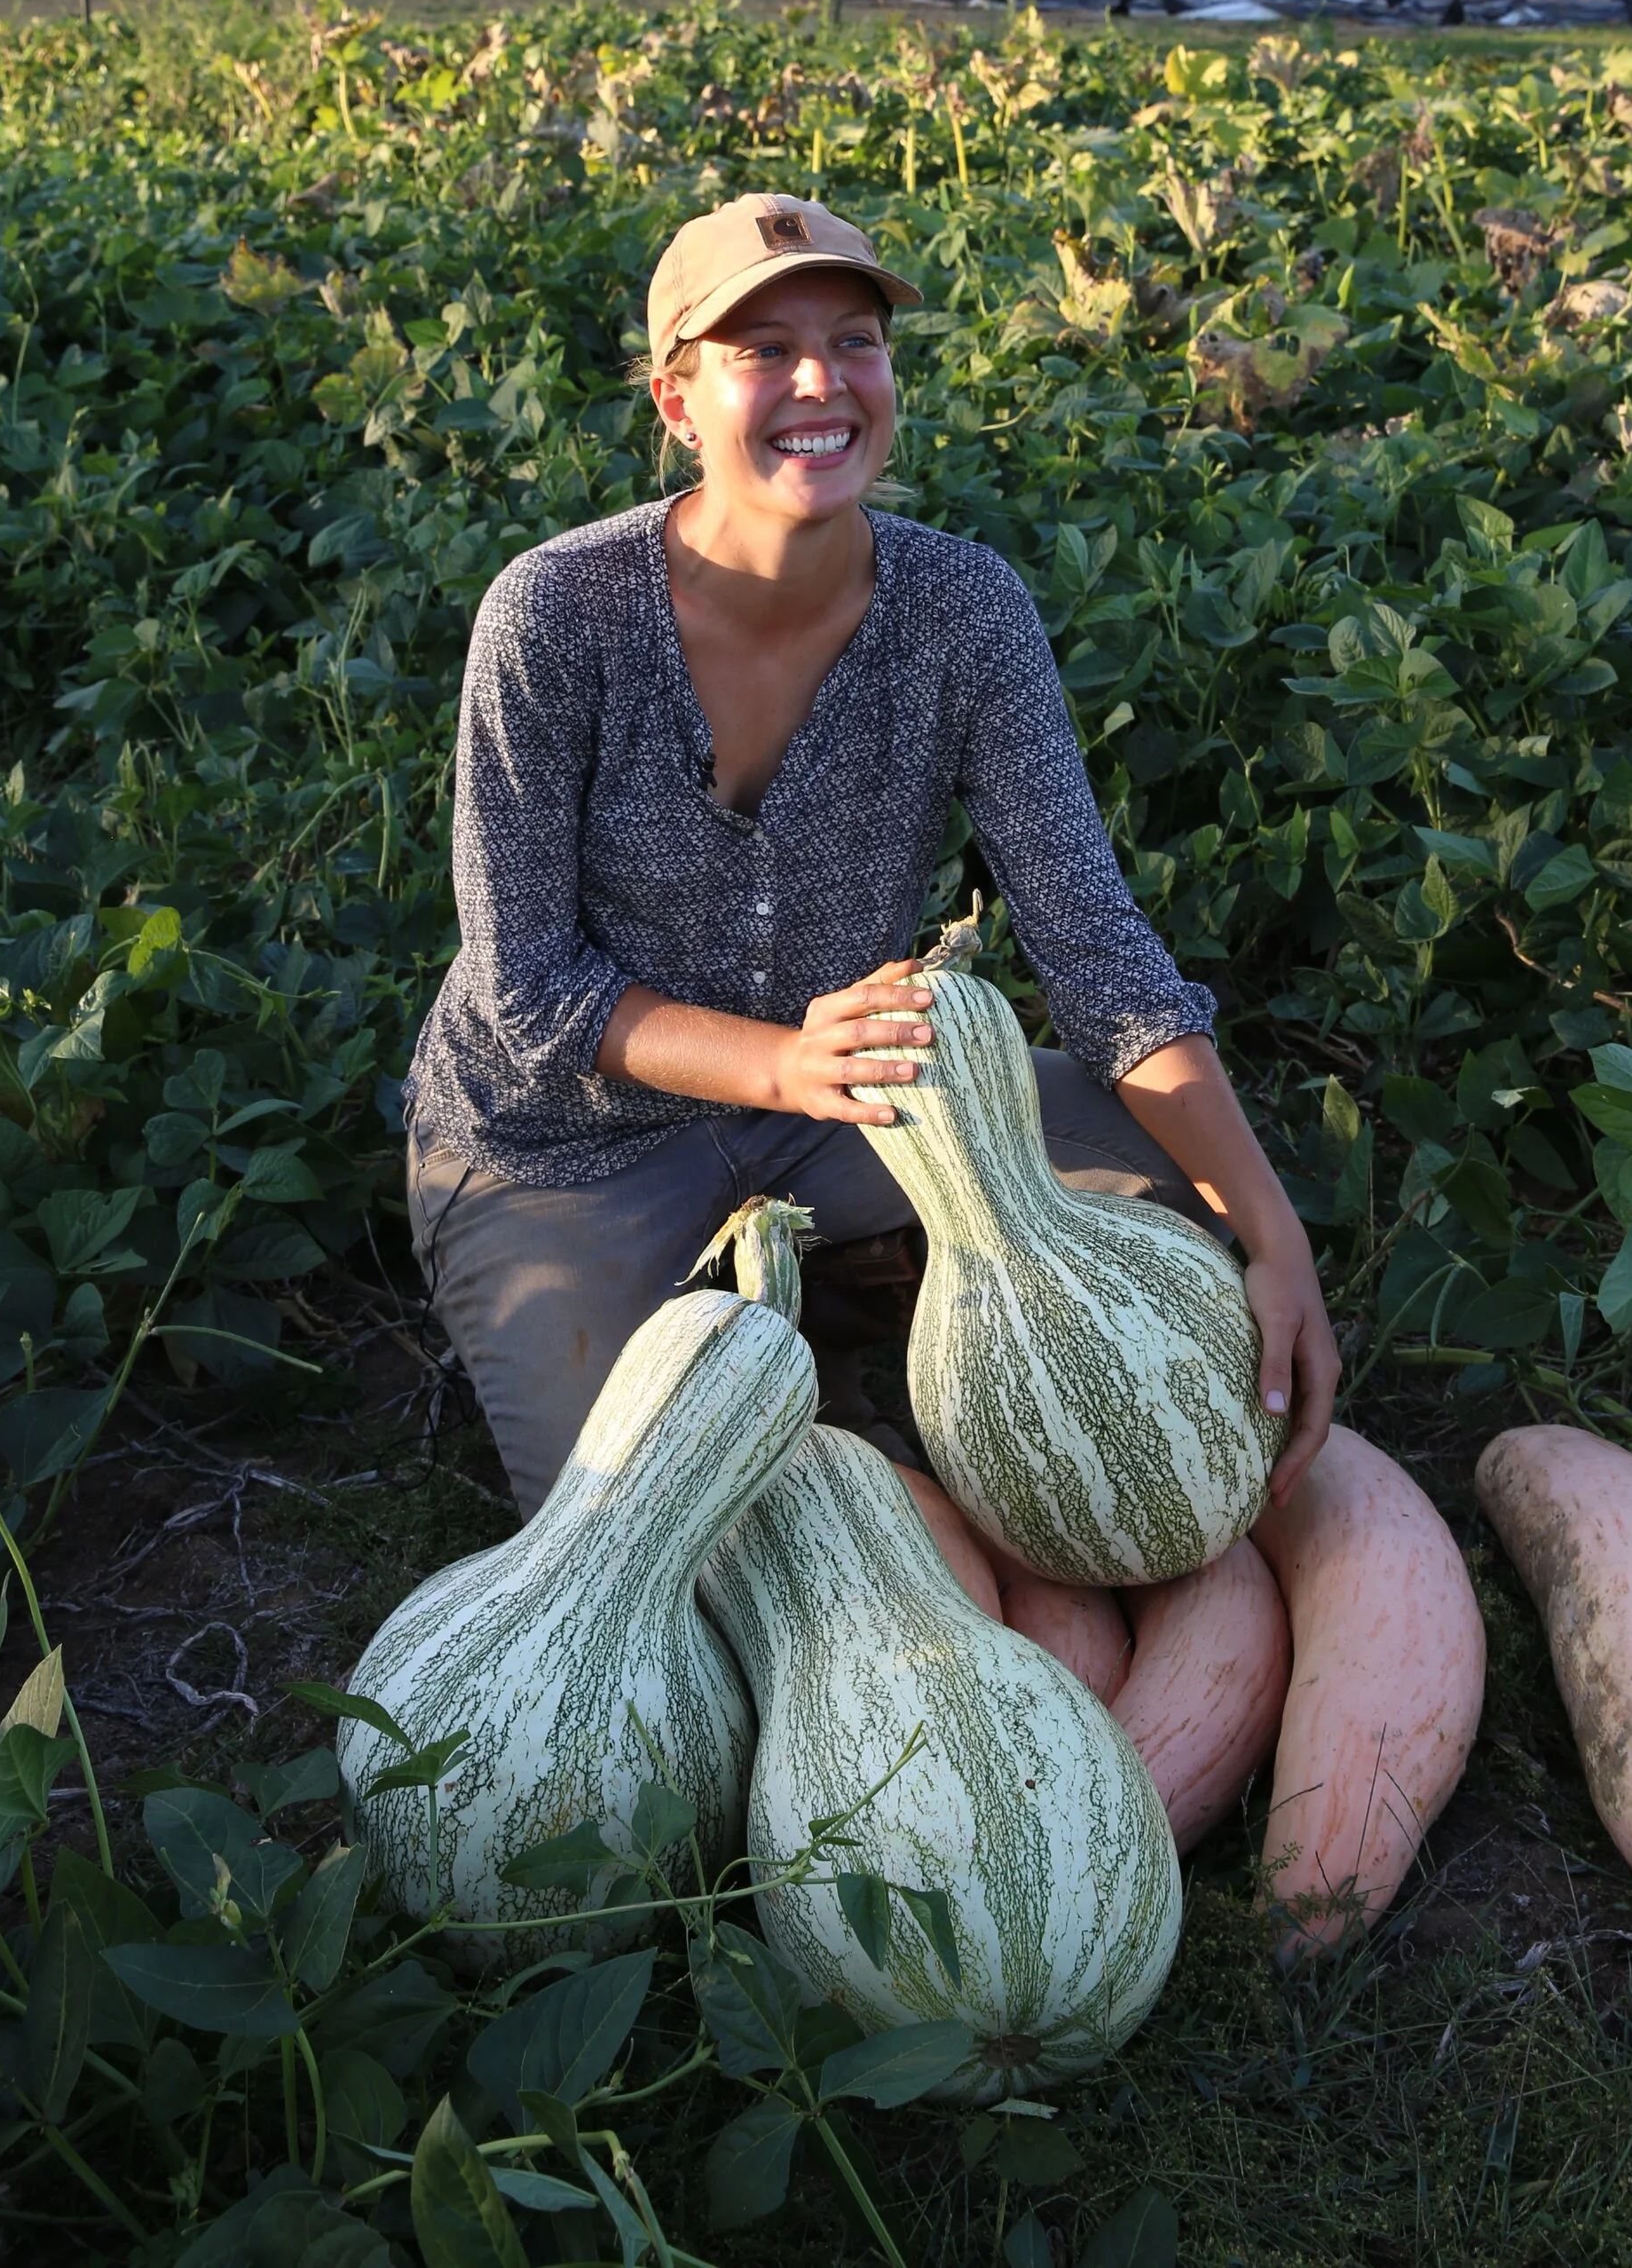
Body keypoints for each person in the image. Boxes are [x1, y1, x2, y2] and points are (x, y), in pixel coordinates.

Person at [404, 187, 1339, 1521]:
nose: (818, 382)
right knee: (656, 1541)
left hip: (842, 1109)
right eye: (761, 351)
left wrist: (1269, 1225)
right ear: (678, 404)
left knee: (1178, 1228)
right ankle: (813, 1300)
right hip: (563, 1146)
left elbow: (1096, 950)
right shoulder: (553, 614)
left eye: (853, 340)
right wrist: (781, 1061)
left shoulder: (965, 608)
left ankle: (857, 1291)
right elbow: (528, 989)